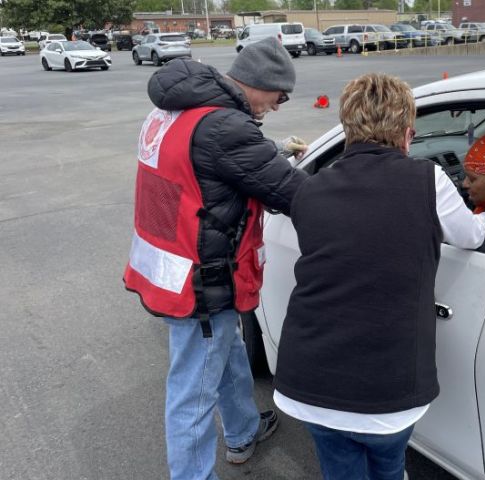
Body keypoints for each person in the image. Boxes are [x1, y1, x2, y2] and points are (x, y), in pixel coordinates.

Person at [272, 73, 485, 480]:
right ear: (408, 134)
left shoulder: (310, 189)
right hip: (389, 392)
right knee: (388, 466)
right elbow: (472, 236)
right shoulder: (429, 180)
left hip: (310, 382)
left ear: (348, 130)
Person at [123, 37, 308, 480]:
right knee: (193, 391)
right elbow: (293, 193)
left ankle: (243, 431)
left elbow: (206, 159)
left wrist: (273, 149)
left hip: (168, 264)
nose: (279, 106)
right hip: (200, 279)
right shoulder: (226, 128)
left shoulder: (172, 109)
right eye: (279, 96)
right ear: (257, 83)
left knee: (225, 355)